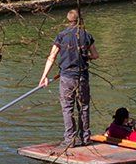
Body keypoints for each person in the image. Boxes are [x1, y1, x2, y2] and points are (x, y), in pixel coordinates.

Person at [38, 9, 99, 147]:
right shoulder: (86, 35)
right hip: (82, 76)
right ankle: (85, 138)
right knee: (83, 107)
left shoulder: (61, 36)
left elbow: (52, 56)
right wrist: (86, 56)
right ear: (80, 20)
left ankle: (69, 140)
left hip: (67, 77)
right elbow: (95, 55)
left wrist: (44, 76)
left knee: (67, 108)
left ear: (68, 20)